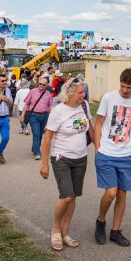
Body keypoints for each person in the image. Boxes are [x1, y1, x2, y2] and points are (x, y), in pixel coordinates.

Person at [93, 68, 131, 247]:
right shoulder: (108, 98)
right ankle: (100, 222)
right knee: (111, 193)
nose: (124, 90)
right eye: (122, 86)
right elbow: (98, 122)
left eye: (128, 87)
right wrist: (97, 147)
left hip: (127, 154)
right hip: (107, 152)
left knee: (122, 194)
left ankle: (115, 231)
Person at [40, 79, 93, 251]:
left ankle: (65, 233)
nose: (83, 95)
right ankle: (56, 228)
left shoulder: (83, 106)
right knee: (66, 196)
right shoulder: (58, 111)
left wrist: (99, 147)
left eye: (83, 92)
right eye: (80, 92)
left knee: (74, 196)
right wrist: (44, 164)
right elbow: (47, 138)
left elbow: (90, 128)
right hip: (61, 157)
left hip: (81, 158)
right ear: (69, 93)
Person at [21, 76, 54, 160]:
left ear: (46, 86)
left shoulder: (48, 94)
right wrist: (22, 116)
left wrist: (54, 116)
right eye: (40, 84)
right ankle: (37, 152)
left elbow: (50, 106)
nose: (41, 85)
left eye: (43, 84)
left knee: (40, 135)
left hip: (44, 116)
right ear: (38, 83)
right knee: (36, 133)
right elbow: (26, 104)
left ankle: (34, 148)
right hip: (34, 116)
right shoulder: (32, 91)